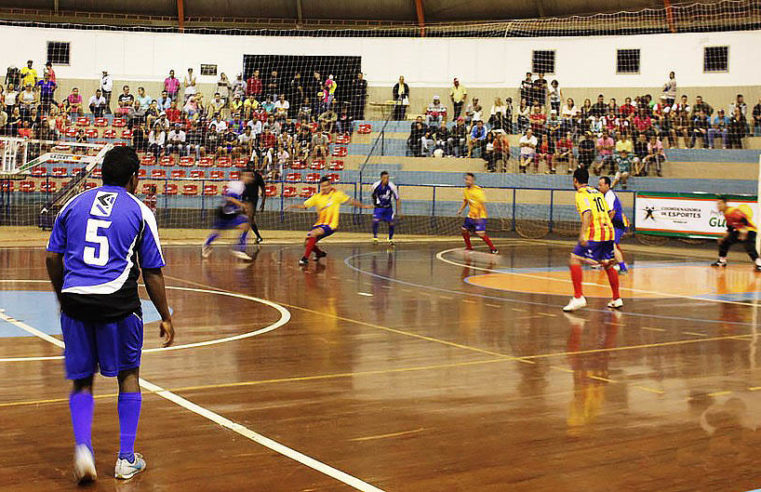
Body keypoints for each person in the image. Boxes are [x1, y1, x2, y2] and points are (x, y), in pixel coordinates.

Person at [45, 146, 174, 483]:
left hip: (75, 303)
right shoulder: (140, 211)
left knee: (82, 379)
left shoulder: (74, 203)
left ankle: (84, 451)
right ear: (135, 178)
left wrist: (64, 297)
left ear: (102, 173)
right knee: (128, 374)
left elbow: (52, 257)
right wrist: (166, 316)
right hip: (119, 304)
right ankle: (125, 458)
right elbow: (153, 272)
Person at [563, 167, 622, 312]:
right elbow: (608, 211)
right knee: (607, 264)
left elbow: (587, 214)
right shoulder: (597, 192)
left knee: (574, 259)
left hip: (595, 233)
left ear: (575, 180)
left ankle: (578, 297)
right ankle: (616, 298)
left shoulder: (581, 194)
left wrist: (582, 234)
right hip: (608, 231)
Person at [288, 177, 372, 266]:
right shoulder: (317, 196)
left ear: (330, 185)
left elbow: (351, 201)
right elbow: (305, 205)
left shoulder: (337, 195)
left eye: (326, 186)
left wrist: (364, 206)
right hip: (319, 224)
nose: (324, 188)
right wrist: (293, 206)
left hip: (331, 225)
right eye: (322, 186)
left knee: (313, 233)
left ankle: (304, 259)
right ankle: (320, 253)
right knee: (307, 243)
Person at [202, 177, 253, 261]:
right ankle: (238, 248)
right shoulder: (236, 191)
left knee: (220, 232)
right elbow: (230, 198)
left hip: (225, 213)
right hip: (226, 214)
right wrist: (242, 205)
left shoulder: (238, 191)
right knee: (245, 224)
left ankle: (207, 243)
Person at [711, 197, 761, 271]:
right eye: (717, 204)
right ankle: (722, 261)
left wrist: (744, 232)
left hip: (750, 230)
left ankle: (759, 264)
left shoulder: (732, 211)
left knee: (749, 246)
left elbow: (744, 220)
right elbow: (730, 228)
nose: (718, 206)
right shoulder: (726, 214)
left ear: (725, 204)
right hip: (739, 231)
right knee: (724, 242)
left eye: (720, 204)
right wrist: (724, 238)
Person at [456, 173, 498, 254]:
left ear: (472, 181)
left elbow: (481, 203)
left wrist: (478, 217)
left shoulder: (478, 191)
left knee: (480, 234)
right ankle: (469, 247)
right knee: (464, 230)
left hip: (480, 216)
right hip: (471, 215)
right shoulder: (465, 190)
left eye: (468, 179)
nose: (467, 181)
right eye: (466, 179)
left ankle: (493, 248)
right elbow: (465, 201)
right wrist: (460, 210)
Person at [598, 176, 629, 274]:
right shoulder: (604, 195)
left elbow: (612, 212)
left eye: (601, 185)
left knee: (612, 244)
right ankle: (607, 262)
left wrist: (606, 225)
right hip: (614, 223)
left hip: (617, 224)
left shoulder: (609, 195)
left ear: (607, 185)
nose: (599, 187)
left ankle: (623, 267)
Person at [370, 171, 401, 245]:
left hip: (388, 207)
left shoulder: (392, 186)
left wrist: (398, 211)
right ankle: (375, 237)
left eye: (387, 178)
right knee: (375, 221)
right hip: (379, 207)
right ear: (381, 178)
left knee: (391, 223)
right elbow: (373, 195)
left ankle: (390, 238)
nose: (386, 180)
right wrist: (375, 203)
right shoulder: (375, 185)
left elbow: (397, 198)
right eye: (384, 178)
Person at [241, 166, 266, 244]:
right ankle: (257, 237)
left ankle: (245, 237)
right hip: (245, 199)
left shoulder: (257, 176)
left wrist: (263, 203)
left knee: (249, 218)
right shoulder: (245, 176)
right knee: (248, 219)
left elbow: (263, 189)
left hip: (253, 200)